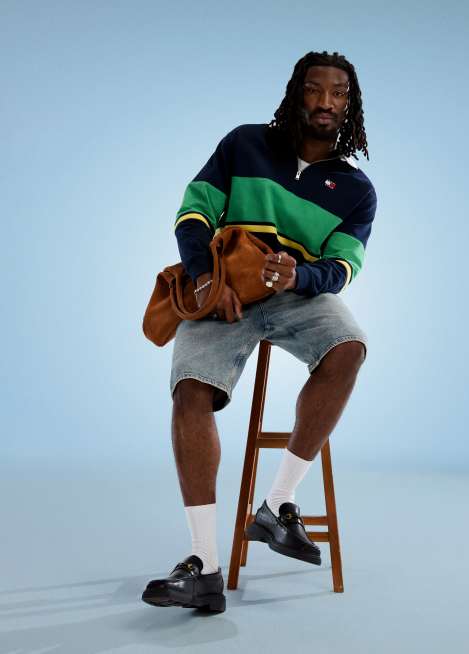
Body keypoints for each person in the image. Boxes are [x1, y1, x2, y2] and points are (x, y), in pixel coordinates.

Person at [141, 50, 377, 614]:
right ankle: (203, 566)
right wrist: (204, 277)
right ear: (297, 93)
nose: (326, 102)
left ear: (350, 106)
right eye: (315, 89)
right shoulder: (245, 143)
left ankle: (277, 505)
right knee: (190, 391)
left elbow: (343, 268)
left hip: (297, 295)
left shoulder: (356, 189)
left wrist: (301, 274)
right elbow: (194, 213)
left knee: (349, 348)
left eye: (338, 94)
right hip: (224, 288)